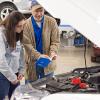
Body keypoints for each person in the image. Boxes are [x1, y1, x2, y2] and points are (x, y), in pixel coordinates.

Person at [23, 0, 60, 81]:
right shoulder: (25, 25)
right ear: (31, 9)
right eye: (36, 11)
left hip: (48, 63)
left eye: (41, 10)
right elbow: (27, 45)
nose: (39, 14)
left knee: (49, 88)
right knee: (30, 90)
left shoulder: (52, 22)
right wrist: (39, 56)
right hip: (32, 64)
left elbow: (55, 41)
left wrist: (53, 52)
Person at [0, 11, 25, 99]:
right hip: (3, 74)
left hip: (15, 73)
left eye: (23, 25)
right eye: (19, 26)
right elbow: (1, 61)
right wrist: (12, 77)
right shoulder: (1, 34)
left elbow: (21, 53)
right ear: (11, 25)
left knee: (14, 97)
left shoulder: (18, 32)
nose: (21, 28)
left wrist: (21, 70)